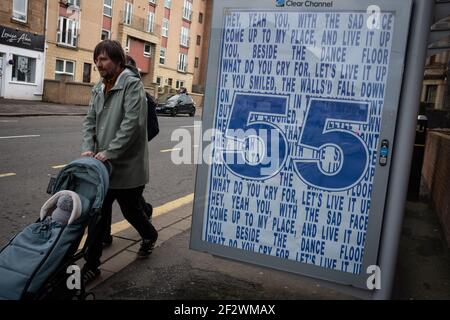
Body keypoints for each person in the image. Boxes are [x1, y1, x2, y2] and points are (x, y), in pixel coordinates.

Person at [81, 40, 158, 283]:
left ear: (117, 61)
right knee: (97, 217)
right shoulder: (98, 87)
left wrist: (109, 152)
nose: (98, 64)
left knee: (131, 211)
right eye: (96, 59)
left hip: (127, 167)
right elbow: (90, 121)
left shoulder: (132, 86)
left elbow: (132, 125)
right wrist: (88, 148)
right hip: (102, 167)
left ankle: (150, 235)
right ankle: (91, 265)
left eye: (103, 59)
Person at [101, 54, 155, 248]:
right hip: (106, 162)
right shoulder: (105, 88)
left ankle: (149, 234)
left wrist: (135, 144)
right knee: (102, 205)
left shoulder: (139, 93)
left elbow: (149, 128)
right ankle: (104, 237)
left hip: (129, 162)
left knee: (130, 209)